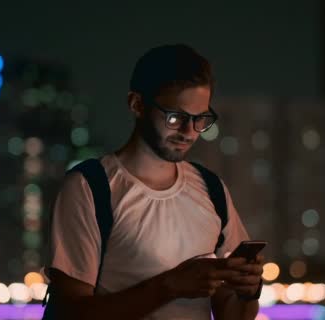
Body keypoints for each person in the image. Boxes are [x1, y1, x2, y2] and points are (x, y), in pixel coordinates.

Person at [45, 44, 263, 320]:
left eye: (200, 120)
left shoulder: (211, 189)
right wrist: (170, 285)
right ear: (137, 104)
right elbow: (70, 314)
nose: (189, 132)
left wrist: (249, 290)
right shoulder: (91, 187)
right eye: (176, 117)